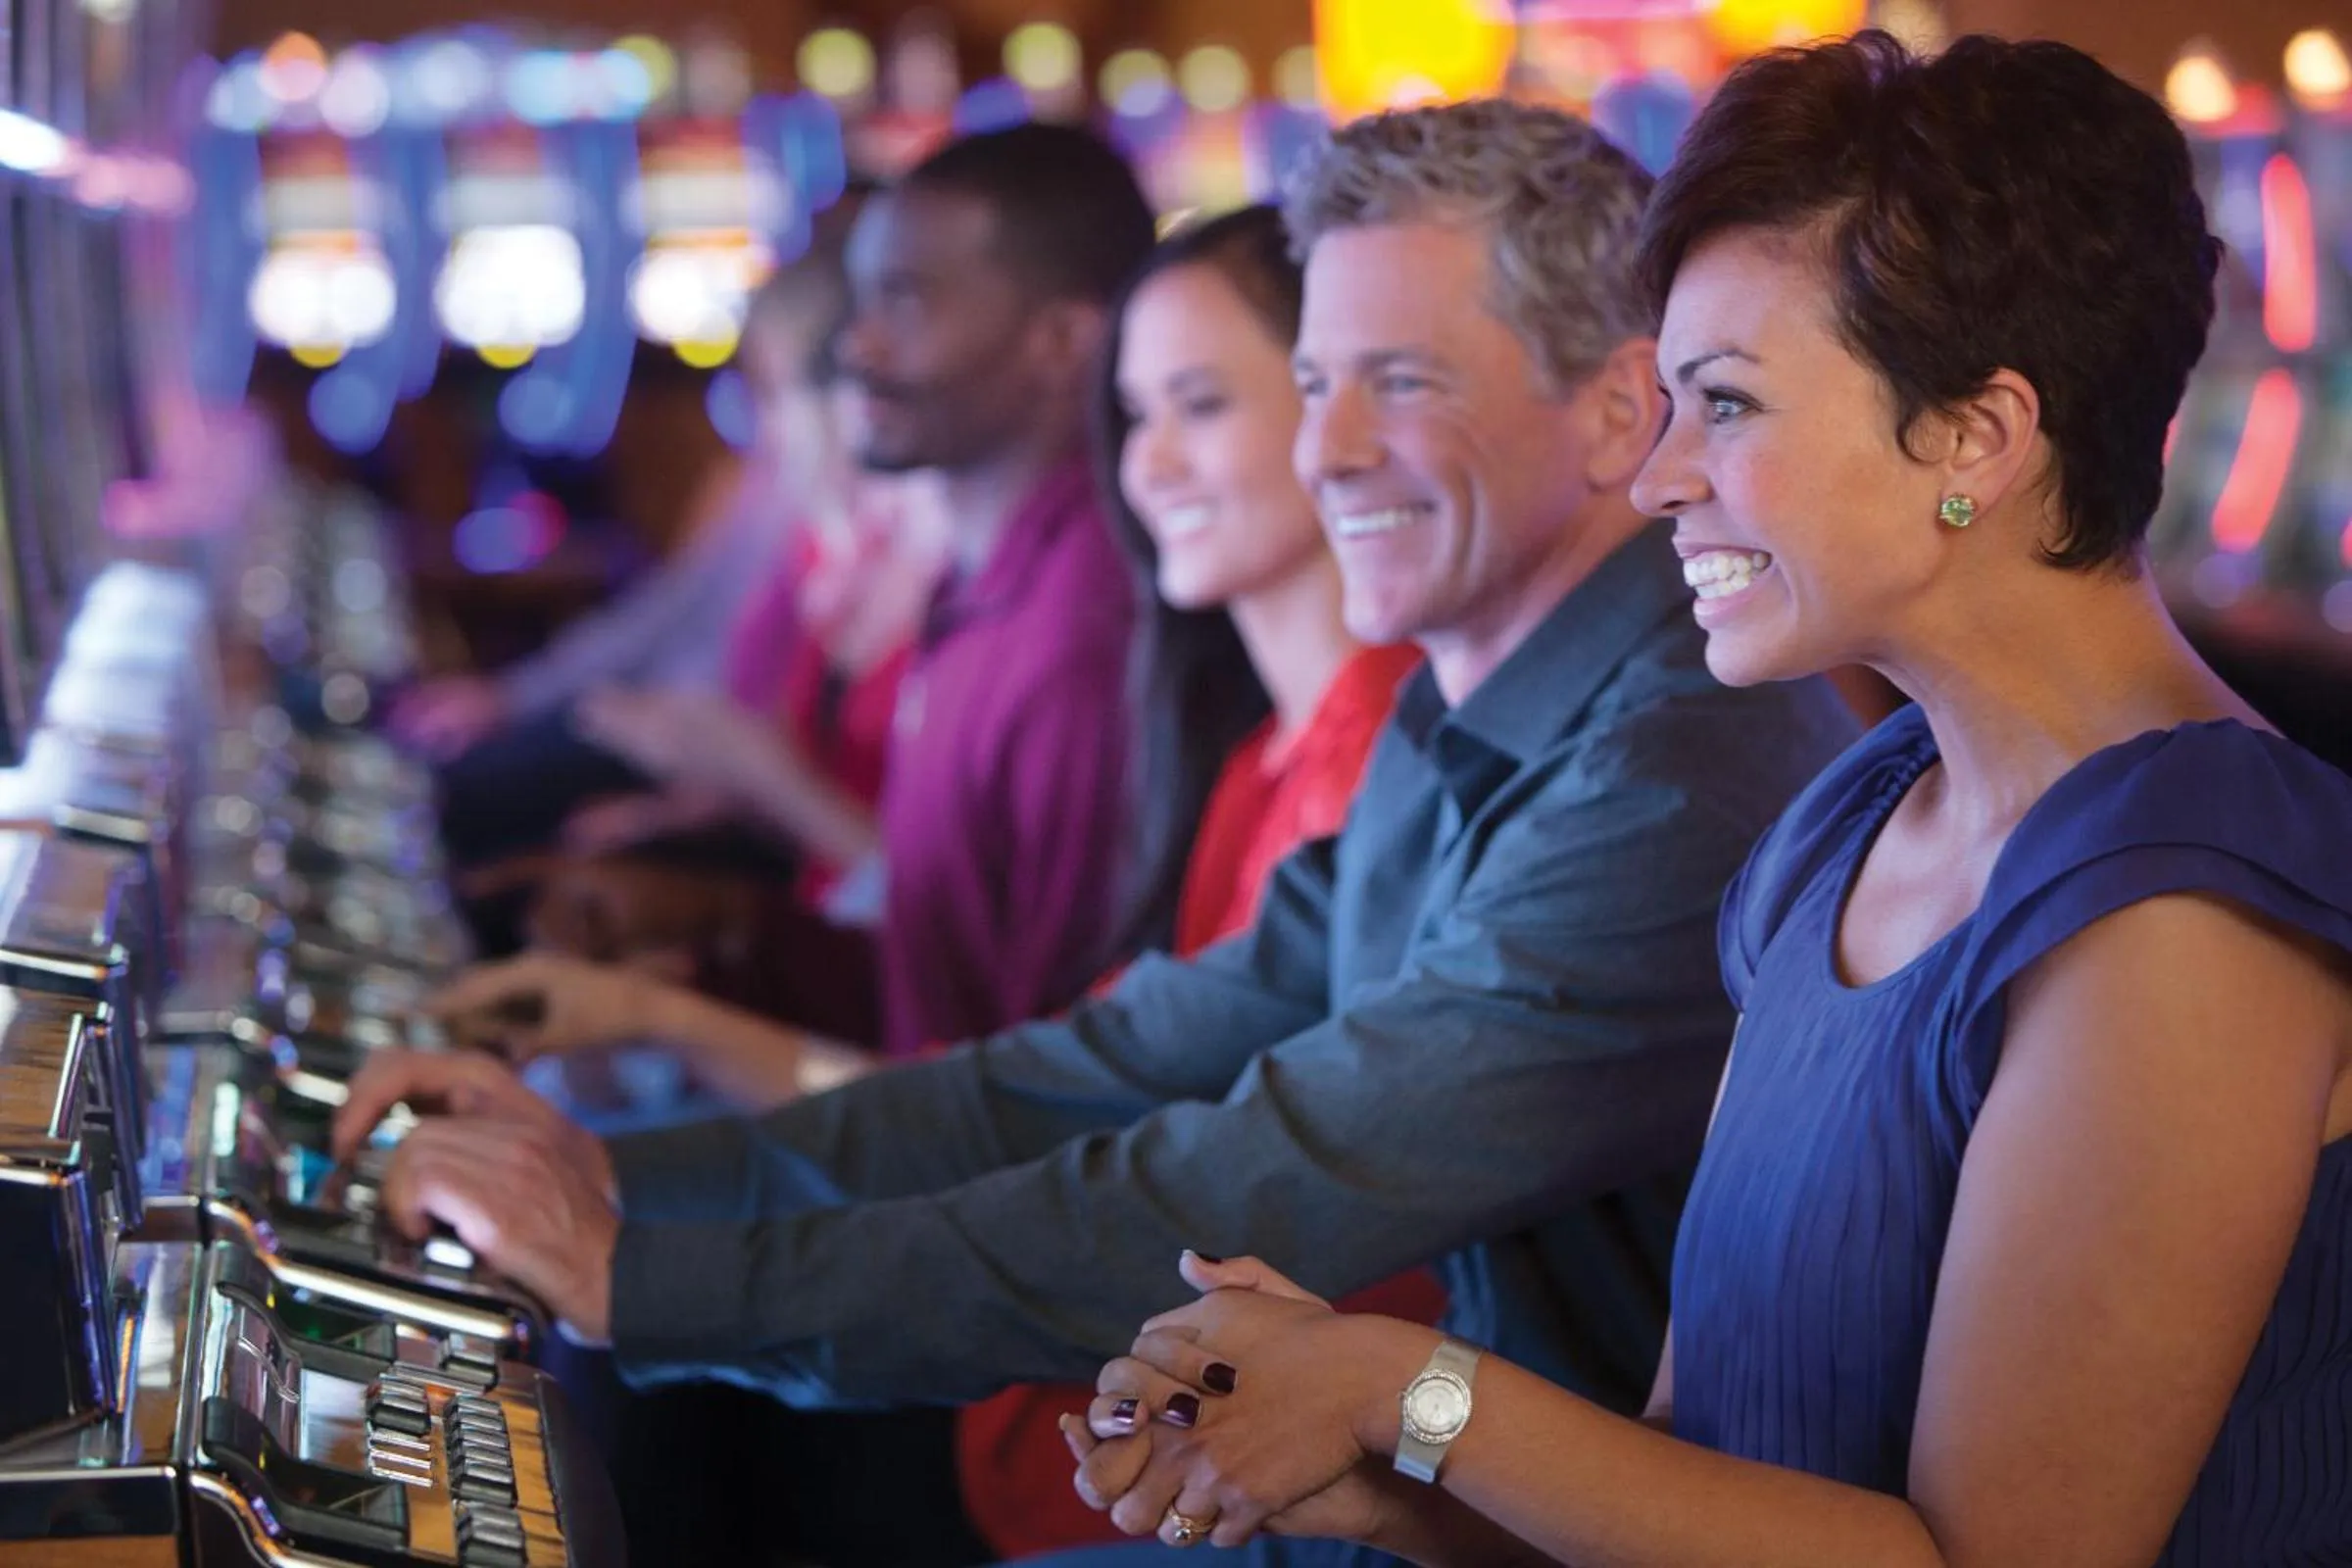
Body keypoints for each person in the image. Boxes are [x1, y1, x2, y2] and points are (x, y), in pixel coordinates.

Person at [331, 98, 1856, 1567]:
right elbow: (1108, 1063)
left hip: (1516, 1524)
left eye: (1403, 382)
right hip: (1417, 1494)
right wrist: (623, 1184)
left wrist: (637, 1272)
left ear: (1612, 409)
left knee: (647, 1442)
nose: (1323, 452)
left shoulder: (1669, 772)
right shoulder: (1467, 710)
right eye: (1314, 384)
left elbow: (1246, 1176)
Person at [1063, 35, 2352, 1568]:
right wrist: (1371, 1460)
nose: (1662, 474)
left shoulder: (2182, 910)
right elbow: (1703, 1482)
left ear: (1977, 438)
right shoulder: (1850, 822)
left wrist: (1412, 1387)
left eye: (1725, 405)